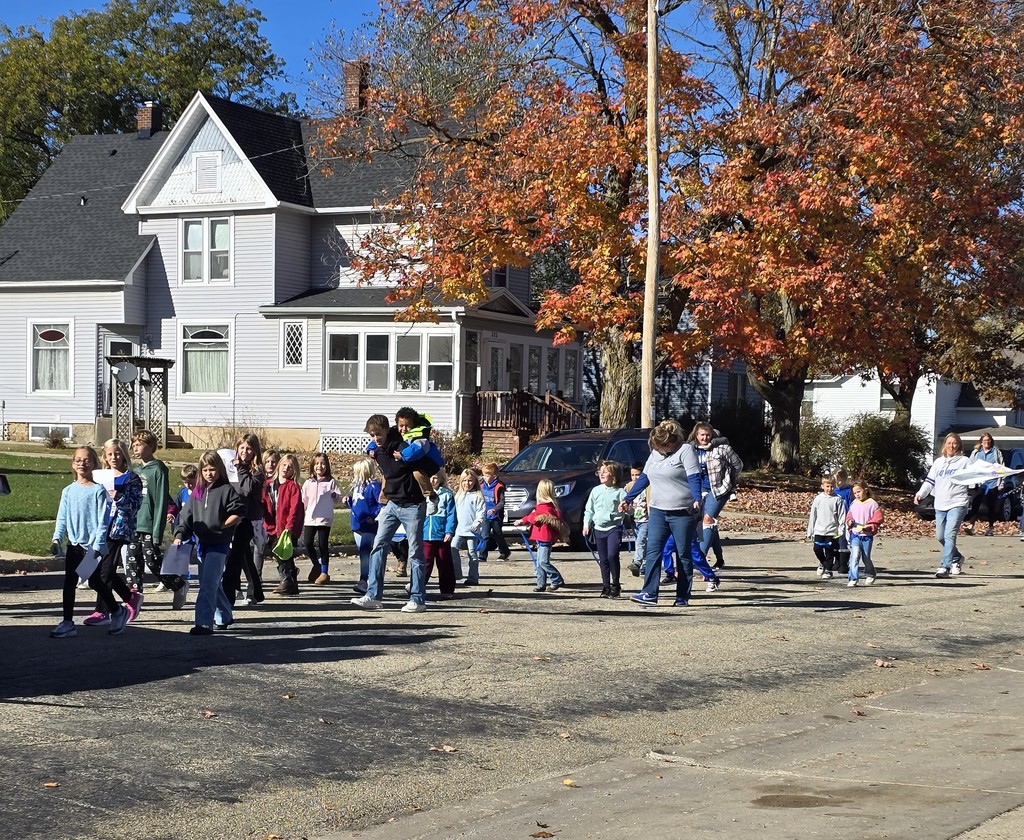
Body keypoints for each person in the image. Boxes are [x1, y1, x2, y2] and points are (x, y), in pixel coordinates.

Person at [350, 414, 429, 612]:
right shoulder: (377, 451)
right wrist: (373, 450)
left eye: (379, 434)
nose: (376, 438)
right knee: (378, 545)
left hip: (413, 504)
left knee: (415, 552)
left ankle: (418, 599)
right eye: (372, 435)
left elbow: (422, 461)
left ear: (387, 430)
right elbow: (378, 458)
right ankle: (373, 595)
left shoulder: (402, 447)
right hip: (392, 504)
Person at [621, 420, 703, 607]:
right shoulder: (655, 454)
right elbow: (644, 478)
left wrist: (697, 497)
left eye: (662, 446)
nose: (660, 450)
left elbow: (694, 477)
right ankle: (649, 593)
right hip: (658, 510)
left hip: (683, 511)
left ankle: (682, 596)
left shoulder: (686, 451)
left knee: (682, 554)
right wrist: (628, 498)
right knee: (653, 551)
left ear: (671, 442)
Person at [172, 450, 245, 635]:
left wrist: (222, 525)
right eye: (205, 470)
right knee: (211, 583)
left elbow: (238, 511)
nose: (209, 473)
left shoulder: (226, 490)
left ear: (219, 469)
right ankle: (225, 615)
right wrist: (179, 535)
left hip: (219, 545)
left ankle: (204, 623)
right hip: (202, 544)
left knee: (208, 585)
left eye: (212, 469)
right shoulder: (197, 493)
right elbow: (185, 518)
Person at [49, 447, 115, 638]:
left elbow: (103, 521)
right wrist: (57, 538)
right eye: (78, 460)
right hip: (74, 545)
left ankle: (116, 610)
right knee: (70, 581)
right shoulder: (68, 491)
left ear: (94, 464)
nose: (82, 463)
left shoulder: (98, 491)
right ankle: (68, 622)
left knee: (94, 581)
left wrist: (96, 545)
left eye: (86, 460)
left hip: (92, 547)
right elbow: (62, 517)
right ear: (72, 463)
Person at [83, 439, 143, 627]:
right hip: (98, 529)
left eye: (117, 453)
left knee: (105, 572)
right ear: (105, 457)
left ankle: (103, 611)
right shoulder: (99, 477)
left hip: (117, 529)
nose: (114, 457)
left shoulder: (131, 478)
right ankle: (129, 597)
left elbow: (135, 504)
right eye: (110, 454)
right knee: (92, 569)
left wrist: (119, 496)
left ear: (124, 455)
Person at [125, 430, 186, 609]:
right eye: (133, 444)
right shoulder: (135, 471)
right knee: (132, 562)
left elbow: (161, 501)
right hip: (134, 524)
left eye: (139, 444)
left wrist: (157, 530)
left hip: (149, 524)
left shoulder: (158, 469)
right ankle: (134, 598)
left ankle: (178, 584)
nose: (135, 448)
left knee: (153, 562)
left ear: (151, 446)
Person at [915, 432, 972, 578]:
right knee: (940, 536)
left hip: (958, 503)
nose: (951, 446)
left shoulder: (965, 461)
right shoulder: (939, 462)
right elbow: (930, 482)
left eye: (954, 443)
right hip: (940, 504)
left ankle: (944, 566)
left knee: (949, 534)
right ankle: (956, 557)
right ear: (944, 445)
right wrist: (920, 494)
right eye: (949, 443)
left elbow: (975, 476)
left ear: (959, 445)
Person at [688, 423, 742, 571]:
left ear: (712, 435)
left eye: (708, 435)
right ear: (696, 435)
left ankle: (699, 558)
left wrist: (729, 480)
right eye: (702, 435)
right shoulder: (690, 450)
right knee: (708, 523)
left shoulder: (722, 448)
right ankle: (719, 558)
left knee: (707, 519)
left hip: (718, 489)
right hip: (698, 489)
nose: (705, 438)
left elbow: (738, 465)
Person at [223, 434, 266, 609]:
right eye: (241, 448)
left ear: (255, 451)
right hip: (233, 516)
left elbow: (248, 489)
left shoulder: (257, 471)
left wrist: (240, 468)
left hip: (248, 520)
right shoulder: (231, 466)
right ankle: (256, 591)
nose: (244, 452)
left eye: (249, 449)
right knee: (244, 558)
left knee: (234, 559)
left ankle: (228, 596)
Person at [583, 460, 626, 598]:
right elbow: (589, 509)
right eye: (599, 471)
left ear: (614, 475)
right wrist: (586, 524)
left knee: (612, 555)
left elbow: (630, 510)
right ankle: (606, 586)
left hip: (614, 527)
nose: (601, 474)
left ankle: (616, 585)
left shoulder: (620, 492)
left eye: (605, 471)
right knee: (603, 559)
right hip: (598, 528)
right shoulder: (596, 491)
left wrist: (626, 508)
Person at [516, 478, 567, 592]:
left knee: (542, 562)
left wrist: (523, 520)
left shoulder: (545, 508)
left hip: (545, 538)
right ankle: (540, 584)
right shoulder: (552, 507)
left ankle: (556, 579)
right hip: (543, 538)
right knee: (539, 562)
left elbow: (535, 518)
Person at [343, 456, 383, 595]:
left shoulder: (374, 486)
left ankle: (364, 580)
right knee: (363, 553)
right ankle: (368, 579)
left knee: (366, 551)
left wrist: (374, 517)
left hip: (369, 525)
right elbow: (356, 504)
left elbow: (380, 504)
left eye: (357, 472)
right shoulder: (357, 487)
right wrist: (348, 501)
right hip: (357, 524)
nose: (354, 475)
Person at [302, 452, 341, 584]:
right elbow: (304, 500)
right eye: (317, 463)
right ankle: (316, 564)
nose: (320, 466)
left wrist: (335, 496)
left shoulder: (331, 482)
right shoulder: (308, 482)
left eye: (323, 463)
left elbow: (337, 499)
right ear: (313, 466)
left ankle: (324, 572)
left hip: (324, 518)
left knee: (322, 544)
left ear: (327, 465)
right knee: (307, 543)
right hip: (310, 518)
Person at [270, 453, 305, 596]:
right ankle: (291, 579)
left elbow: (295, 508)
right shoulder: (270, 485)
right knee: (280, 552)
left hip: (287, 527)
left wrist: (289, 527)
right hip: (274, 526)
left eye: (290, 467)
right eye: (284, 465)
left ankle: (286, 579)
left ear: (294, 471)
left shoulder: (293, 486)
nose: (286, 469)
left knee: (283, 552)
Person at [421, 469, 457, 599]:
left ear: (440, 479)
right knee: (425, 561)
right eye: (430, 477)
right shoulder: (422, 494)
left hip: (442, 534)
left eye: (435, 478)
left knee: (444, 562)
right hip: (426, 534)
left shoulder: (447, 494)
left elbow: (452, 515)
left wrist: (449, 531)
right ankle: (418, 586)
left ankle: (447, 589)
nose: (432, 481)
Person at [452, 468, 486, 588]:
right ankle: (456, 574)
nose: (467, 483)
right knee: (453, 548)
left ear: (475, 482)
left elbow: (481, 512)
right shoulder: (458, 496)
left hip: (472, 530)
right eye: (465, 481)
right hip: (458, 529)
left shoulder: (477, 496)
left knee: (472, 553)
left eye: (470, 481)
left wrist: (477, 524)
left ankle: (473, 577)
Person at [807, 476, 846, 580]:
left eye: (832, 486)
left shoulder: (838, 499)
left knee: (830, 551)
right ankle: (823, 563)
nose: (830, 489)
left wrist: (841, 529)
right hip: (819, 530)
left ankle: (828, 570)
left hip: (832, 531)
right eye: (827, 486)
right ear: (822, 486)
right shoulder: (818, 499)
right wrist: (810, 530)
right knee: (817, 549)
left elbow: (842, 516)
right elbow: (813, 515)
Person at [965, 433, 1004, 536]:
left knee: (991, 507)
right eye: (985, 440)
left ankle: (990, 528)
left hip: (992, 483)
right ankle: (970, 525)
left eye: (989, 440)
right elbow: (970, 466)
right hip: (979, 483)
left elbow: (1001, 468)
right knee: (975, 503)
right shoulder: (976, 453)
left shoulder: (996, 452)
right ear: (981, 442)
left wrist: (1001, 483)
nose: (987, 442)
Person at [847, 480, 883, 587]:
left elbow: (878, 518)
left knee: (866, 557)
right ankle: (853, 578)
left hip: (867, 536)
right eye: (855, 493)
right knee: (855, 555)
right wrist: (849, 521)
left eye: (859, 491)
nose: (857, 495)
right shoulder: (854, 504)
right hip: (855, 534)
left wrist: (870, 526)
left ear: (865, 490)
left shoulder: (873, 504)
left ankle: (871, 573)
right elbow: (849, 516)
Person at [478, 462, 512, 561]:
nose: (484, 477)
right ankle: (482, 555)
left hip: (496, 515)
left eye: (487, 475)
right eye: (484, 475)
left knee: (498, 535)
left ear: (494, 476)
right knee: (484, 535)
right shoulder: (481, 485)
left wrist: (495, 509)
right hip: (485, 514)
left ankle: (504, 552)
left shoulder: (499, 486)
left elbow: (502, 502)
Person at [626, 463, 648, 577]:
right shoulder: (629, 487)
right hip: (635, 519)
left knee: (641, 541)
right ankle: (645, 565)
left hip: (646, 519)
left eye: (638, 475)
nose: (635, 478)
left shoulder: (648, 487)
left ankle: (637, 563)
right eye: (632, 475)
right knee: (641, 542)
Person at [832, 470, 854, 574]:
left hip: (845, 519)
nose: (838, 483)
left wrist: (850, 518)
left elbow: (851, 505)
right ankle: (836, 562)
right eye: (836, 481)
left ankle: (844, 564)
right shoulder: (834, 491)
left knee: (843, 541)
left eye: (840, 480)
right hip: (834, 520)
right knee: (834, 541)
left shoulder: (848, 491)